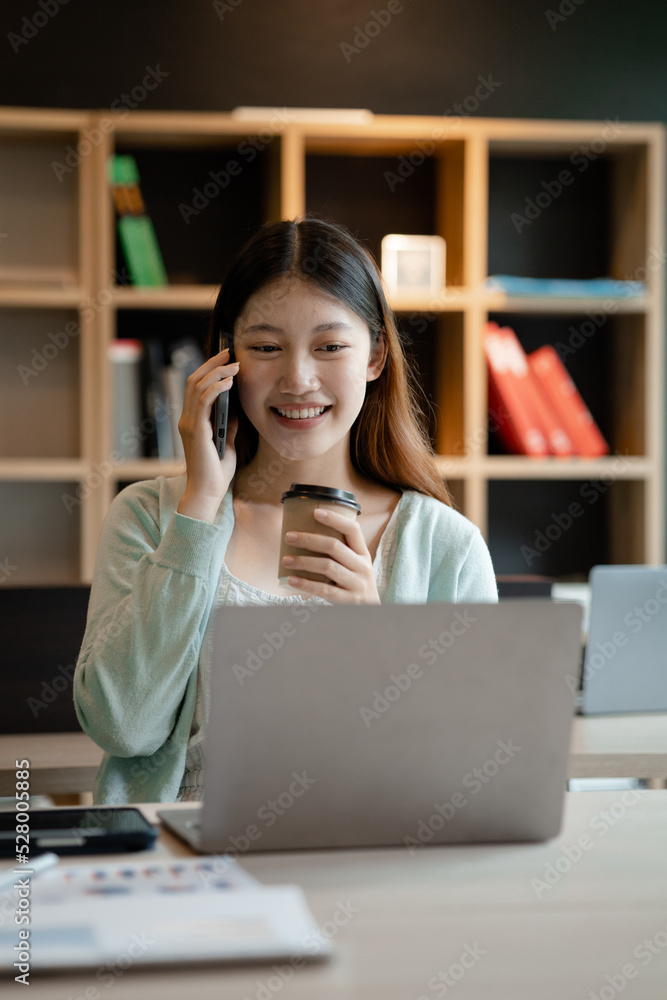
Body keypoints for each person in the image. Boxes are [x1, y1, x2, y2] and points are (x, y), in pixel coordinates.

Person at [74, 216, 497, 804]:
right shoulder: (149, 515)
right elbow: (122, 725)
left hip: (364, 860)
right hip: (183, 867)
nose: (298, 379)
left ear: (375, 355)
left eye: (330, 347)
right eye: (266, 348)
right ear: (225, 358)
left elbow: (471, 767)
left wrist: (377, 639)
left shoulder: (445, 545)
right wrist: (197, 511)